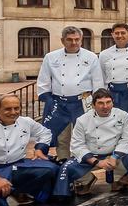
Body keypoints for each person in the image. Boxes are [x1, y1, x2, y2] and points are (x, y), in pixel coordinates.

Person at [37, 26, 104, 159]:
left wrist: (98, 102)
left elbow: (97, 81)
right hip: (60, 103)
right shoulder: (51, 57)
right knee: (62, 139)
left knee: (84, 137)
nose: (73, 43)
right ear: (62, 40)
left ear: (81, 40)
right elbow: (43, 82)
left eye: (76, 39)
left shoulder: (91, 57)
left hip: (83, 103)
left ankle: (83, 174)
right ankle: (64, 166)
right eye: (69, 40)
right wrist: (50, 100)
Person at [54, 88, 128, 197]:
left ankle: (117, 177)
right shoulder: (82, 120)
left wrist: (115, 157)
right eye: (100, 103)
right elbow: (77, 145)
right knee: (67, 168)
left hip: (114, 156)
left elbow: (127, 139)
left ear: (112, 102)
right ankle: (87, 180)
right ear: (93, 105)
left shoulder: (123, 115)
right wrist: (96, 162)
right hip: (92, 156)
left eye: (108, 102)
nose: (105, 106)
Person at [99, 23, 128, 120]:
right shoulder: (104, 54)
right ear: (112, 35)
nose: (119, 36)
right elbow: (102, 76)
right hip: (112, 94)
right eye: (117, 33)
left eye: (123, 33)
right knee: (112, 122)